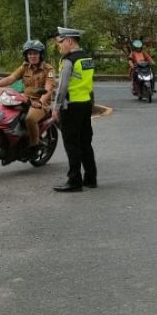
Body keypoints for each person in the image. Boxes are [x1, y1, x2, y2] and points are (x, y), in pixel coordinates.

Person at [51, 27, 97, 192]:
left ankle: (74, 181)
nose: (60, 46)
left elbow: (62, 87)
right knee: (85, 143)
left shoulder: (68, 60)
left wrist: (55, 107)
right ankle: (91, 178)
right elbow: (89, 84)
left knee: (72, 144)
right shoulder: (87, 58)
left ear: (69, 41)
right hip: (85, 104)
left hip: (70, 107)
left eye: (61, 42)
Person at [0, 40, 55, 148]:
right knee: (5, 111)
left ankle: (35, 143)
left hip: (41, 103)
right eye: (30, 54)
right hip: (25, 99)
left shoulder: (48, 69)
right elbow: (11, 78)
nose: (32, 56)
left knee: (30, 119)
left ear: (41, 55)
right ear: (26, 55)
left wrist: (40, 103)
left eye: (35, 53)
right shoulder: (25, 67)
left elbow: (48, 89)